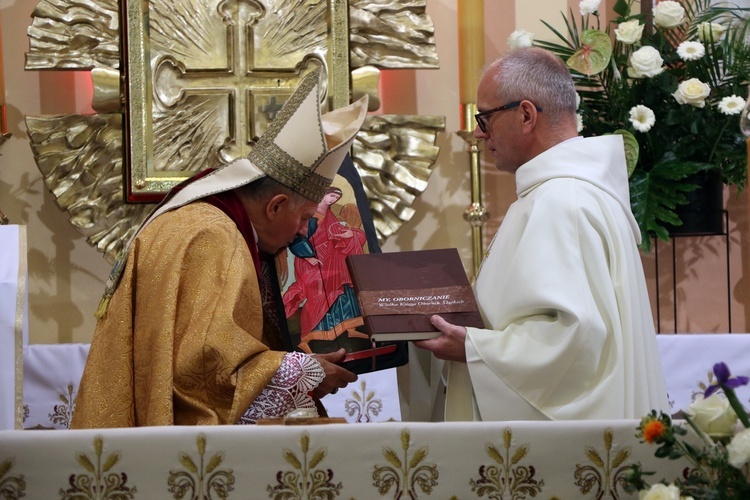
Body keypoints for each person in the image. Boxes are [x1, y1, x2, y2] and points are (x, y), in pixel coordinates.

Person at [72, 68, 366, 427]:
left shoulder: (196, 221)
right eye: (305, 217)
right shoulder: (215, 239)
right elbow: (204, 368)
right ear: (274, 206)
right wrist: (305, 371)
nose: (304, 233)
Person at [414, 47, 669, 421]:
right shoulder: (575, 192)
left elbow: (574, 341)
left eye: (484, 118)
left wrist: (472, 346)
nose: (479, 134)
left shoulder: (561, 199)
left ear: (526, 115)